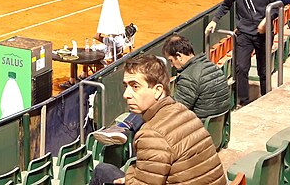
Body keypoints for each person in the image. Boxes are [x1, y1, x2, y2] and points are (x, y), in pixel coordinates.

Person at [88, 55, 225, 185]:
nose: (126, 95)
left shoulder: (151, 134)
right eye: (126, 86)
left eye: (135, 86)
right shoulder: (184, 112)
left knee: (101, 171)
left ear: (158, 90)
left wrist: (130, 177)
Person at [206, 0, 277, 106]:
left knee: (263, 71)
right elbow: (226, 5)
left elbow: (276, 7)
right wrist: (214, 21)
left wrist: (266, 21)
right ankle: (243, 102)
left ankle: (266, 100)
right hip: (244, 33)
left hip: (263, 35)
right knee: (241, 68)